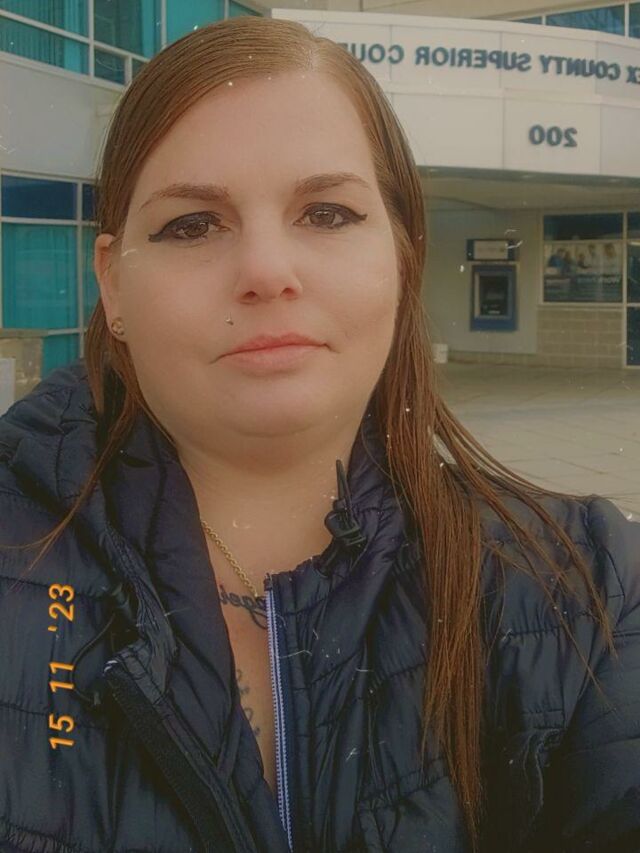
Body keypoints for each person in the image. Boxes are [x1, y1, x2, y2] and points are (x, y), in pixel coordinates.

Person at [0, 15, 639, 853]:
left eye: (327, 213)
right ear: (112, 284)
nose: (267, 271)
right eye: (192, 224)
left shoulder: (589, 587)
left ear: (403, 259)